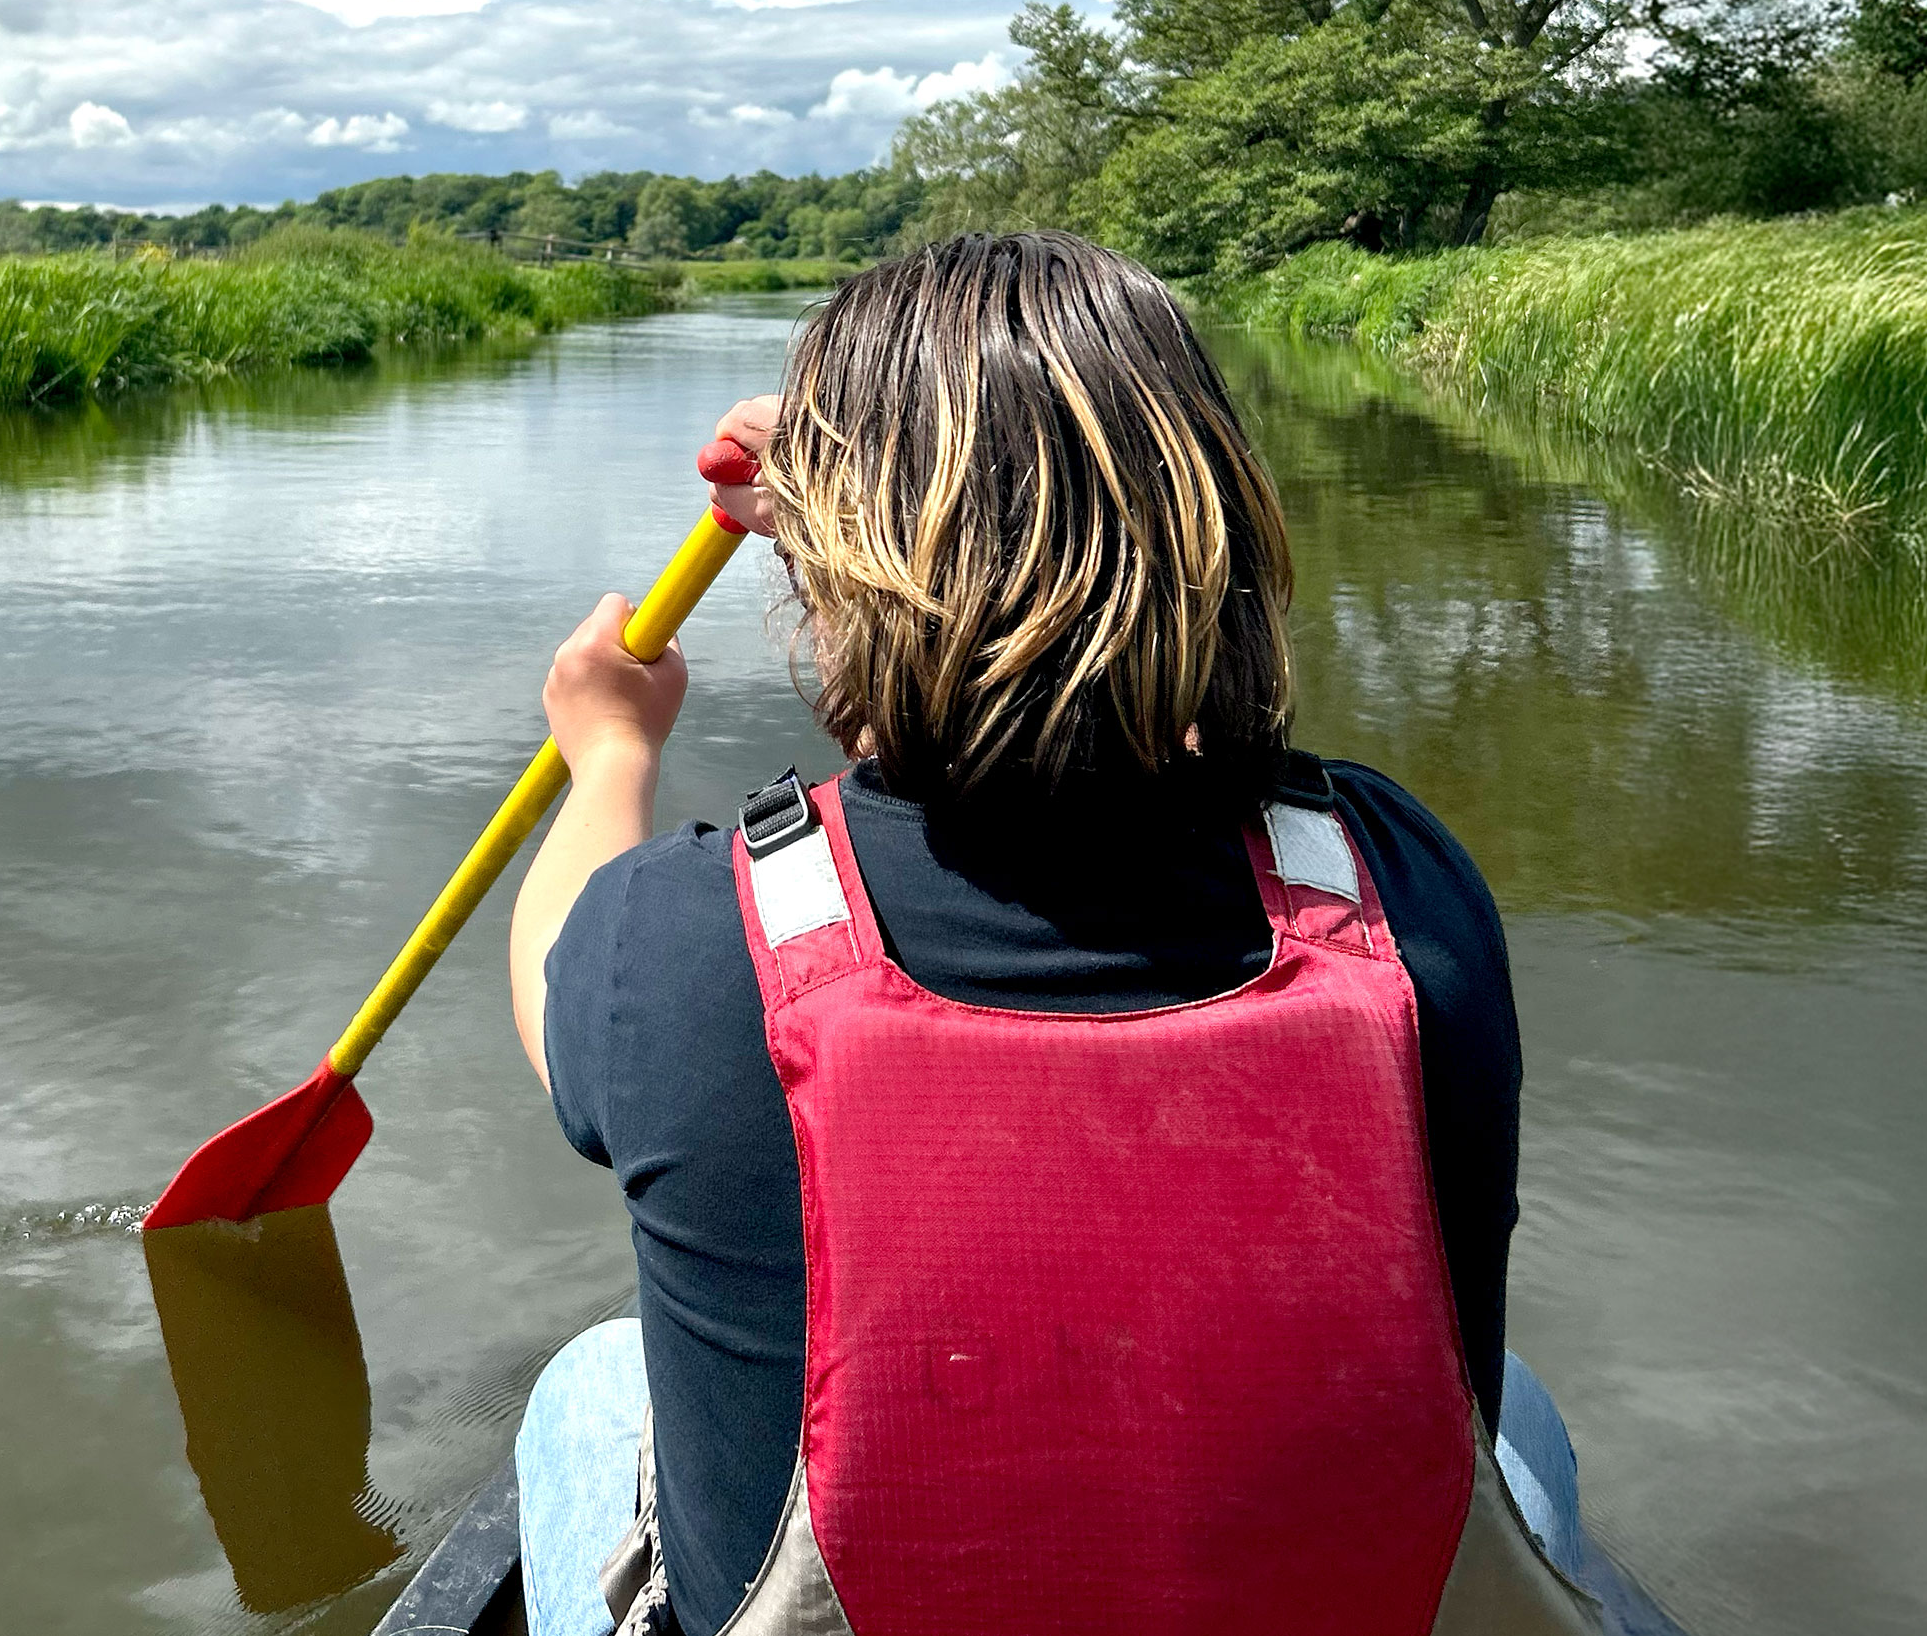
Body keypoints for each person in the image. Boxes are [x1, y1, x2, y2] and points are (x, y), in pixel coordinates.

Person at [506, 233, 1598, 1636]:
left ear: (832, 569)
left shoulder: (688, 942)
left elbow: (552, 987)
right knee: (1524, 1425)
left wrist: (605, 755)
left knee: (594, 1381)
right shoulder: (1401, 886)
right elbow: (1184, 735)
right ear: (1211, 518)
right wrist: (939, 474)